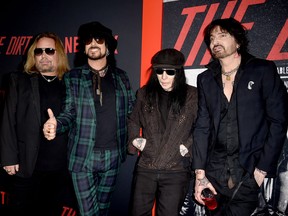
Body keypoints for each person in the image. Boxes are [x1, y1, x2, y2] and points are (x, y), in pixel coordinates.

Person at [192, 17, 288, 216]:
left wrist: (261, 170)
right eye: (211, 38)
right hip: (214, 173)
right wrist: (200, 175)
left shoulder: (262, 70)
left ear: (238, 41)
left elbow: (279, 121)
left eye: (222, 35)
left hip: (248, 172)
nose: (215, 41)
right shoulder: (205, 79)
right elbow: (202, 126)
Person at [43, 21, 136, 216]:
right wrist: (56, 124)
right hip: (82, 156)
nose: (93, 43)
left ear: (108, 46)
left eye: (99, 39)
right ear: (84, 48)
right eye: (88, 40)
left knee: (103, 210)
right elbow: (68, 113)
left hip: (112, 156)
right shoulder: (73, 77)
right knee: (88, 213)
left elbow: (131, 111)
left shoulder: (122, 77)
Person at [0, 32, 77, 215]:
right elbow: (8, 120)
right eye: (38, 51)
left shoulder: (70, 83)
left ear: (58, 53)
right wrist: (9, 158)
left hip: (58, 167)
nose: (43, 55)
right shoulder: (19, 80)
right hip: (27, 165)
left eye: (49, 50)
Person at [127, 48, 198, 216]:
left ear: (179, 72)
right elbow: (133, 120)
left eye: (170, 71)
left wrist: (188, 145)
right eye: (159, 71)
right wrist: (135, 139)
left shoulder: (192, 95)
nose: (164, 77)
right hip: (146, 166)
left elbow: (202, 127)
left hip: (176, 168)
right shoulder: (144, 93)